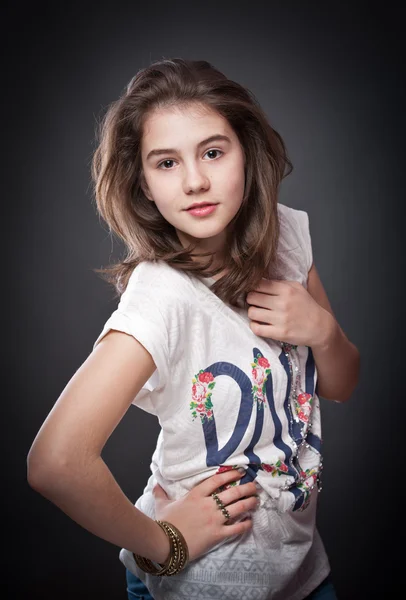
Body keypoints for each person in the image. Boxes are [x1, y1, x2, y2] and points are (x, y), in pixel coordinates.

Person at [27, 58, 360, 600]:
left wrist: (321, 331)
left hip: (303, 572)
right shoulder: (162, 295)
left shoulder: (288, 239)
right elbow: (55, 462)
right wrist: (165, 543)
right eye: (166, 162)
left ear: (246, 152)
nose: (195, 180)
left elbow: (342, 384)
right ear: (143, 183)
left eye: (212, 151)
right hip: (202, 586)